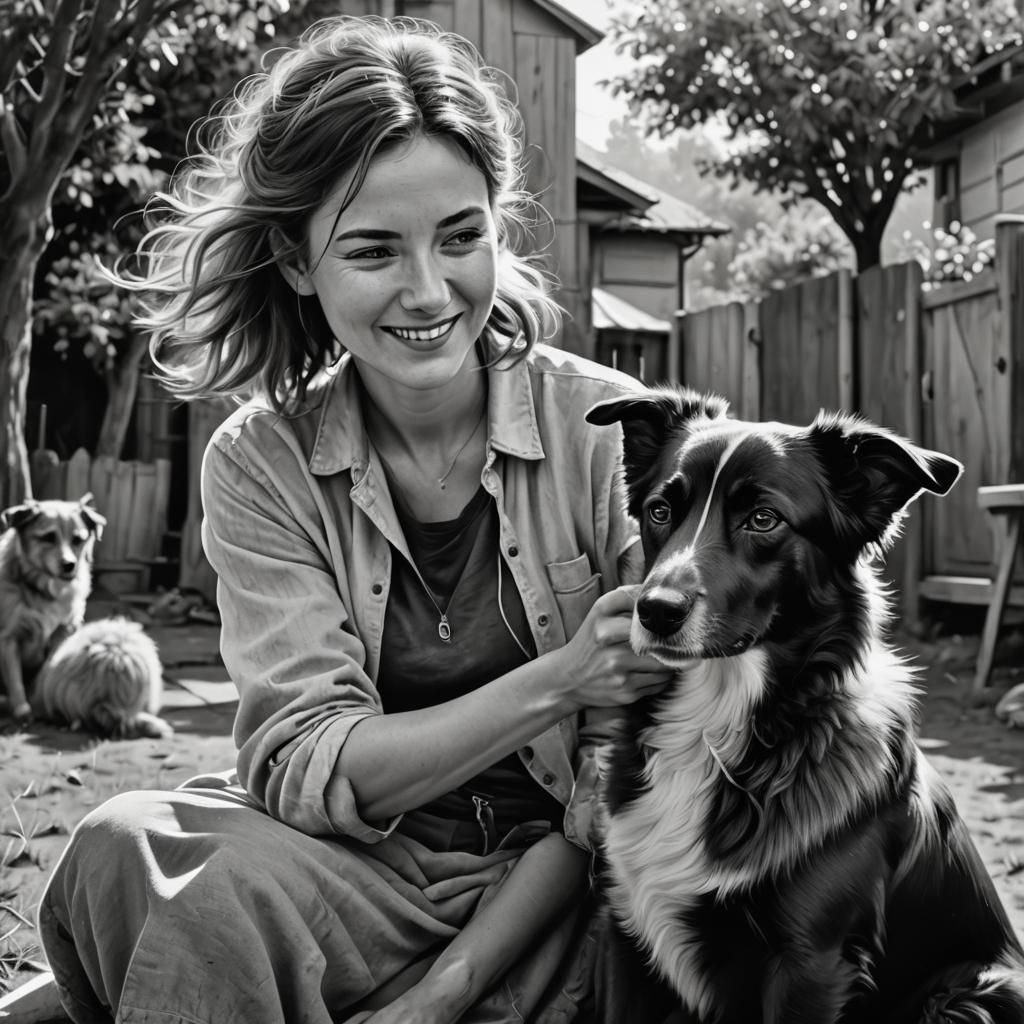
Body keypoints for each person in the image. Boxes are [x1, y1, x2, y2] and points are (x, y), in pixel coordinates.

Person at [38, 15, 677, 1024]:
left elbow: (627, 791)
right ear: (297, 262)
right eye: (374, 249)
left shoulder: (613, 437)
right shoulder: (260, 461)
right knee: (125, 844)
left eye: (461, 237)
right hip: (359, 873)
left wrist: (443, 991)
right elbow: (302, 764)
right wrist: (561, 676)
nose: (429, 292)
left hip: (572, 888)